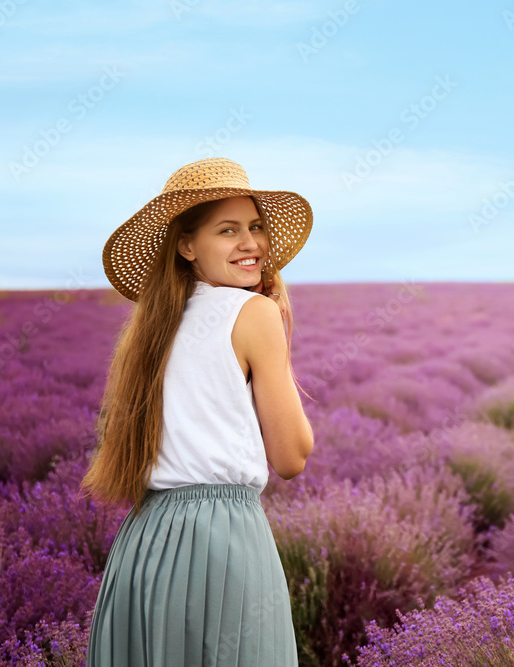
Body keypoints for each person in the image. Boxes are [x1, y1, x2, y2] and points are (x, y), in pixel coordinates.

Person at [80, 157, 315, 665]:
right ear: (187, 245)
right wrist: (277, 334)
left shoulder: (150, 329)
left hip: (143, 544)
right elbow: (293, 456)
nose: (250, 243)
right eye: (227, 230)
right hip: (223, 540)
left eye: (255, 227)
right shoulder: (255, 314)